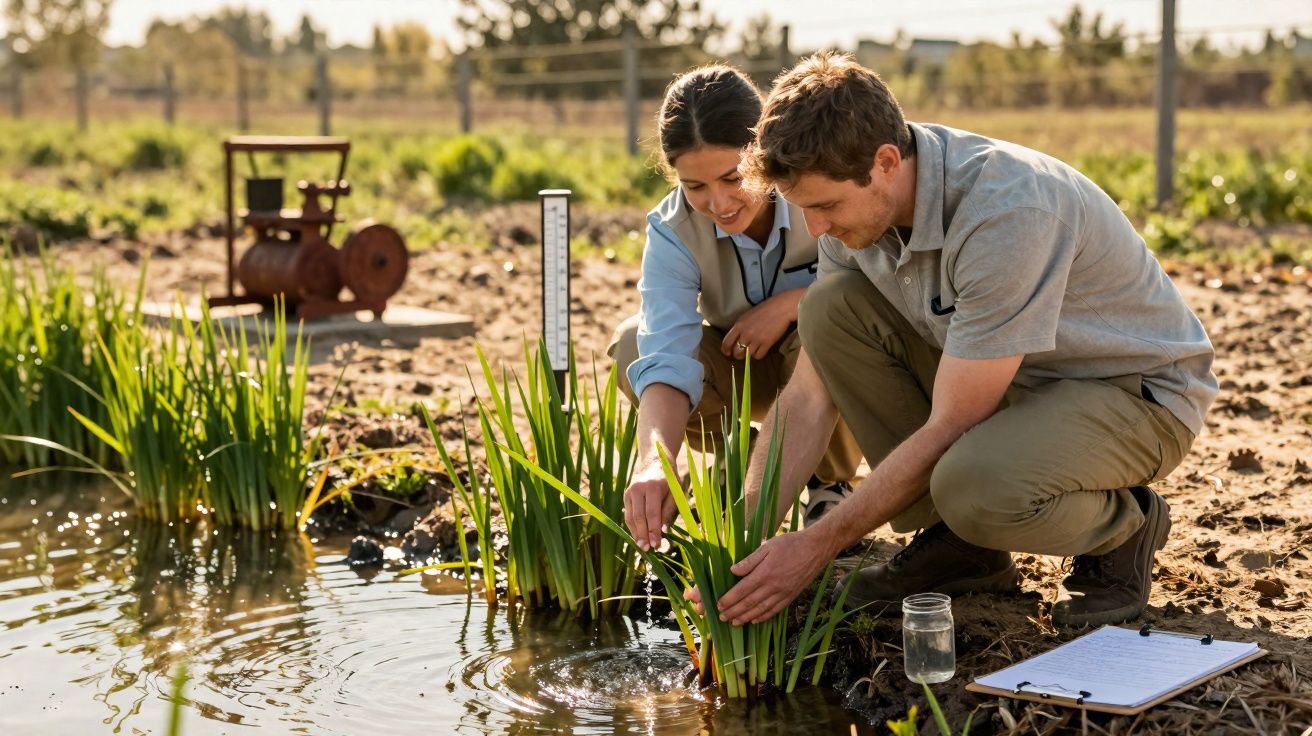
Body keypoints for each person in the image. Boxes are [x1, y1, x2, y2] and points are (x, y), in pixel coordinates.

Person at [708, 52, 1217, 629]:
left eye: (825, 206)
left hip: (1131, 394)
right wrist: (740, 545)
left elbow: (952, 422)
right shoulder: (853, 217)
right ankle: (962, 549)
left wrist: (815, 548)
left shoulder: (1005, 211)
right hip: (1008, 378)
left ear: (885, 162)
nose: (816, 229)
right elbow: (805, 397)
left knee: (972, 486)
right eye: (805, 210)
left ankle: (1125, 527)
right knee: (828, 309)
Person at [609, 65, 862, 552]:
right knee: (628, 342)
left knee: (827, 322)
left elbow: (876, 290)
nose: (719, 203)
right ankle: (744, 457)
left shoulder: (820, 192)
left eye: (733, 177)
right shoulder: (672, 230)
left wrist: (794, 303)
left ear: (763, 151)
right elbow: (666, 350)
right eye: (695, 186)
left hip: (824, 366)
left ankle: (831, 482)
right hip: (741, 364)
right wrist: (655, 461)